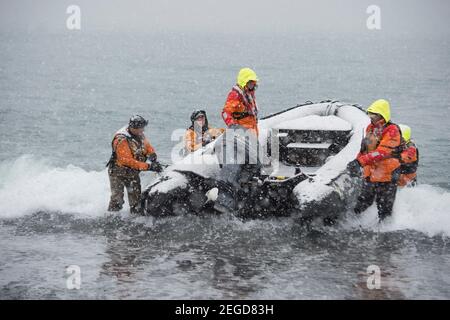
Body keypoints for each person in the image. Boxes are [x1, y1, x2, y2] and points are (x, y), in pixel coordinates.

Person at [348, 99, 402, 221]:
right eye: (370, 114)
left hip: (387, 175)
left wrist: (360, 162)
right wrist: (355, 163)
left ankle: (386, 232)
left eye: (375, 115)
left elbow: (383, 152)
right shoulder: (370, 128)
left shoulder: (392, 130)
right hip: (371, 174)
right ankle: (353, 223)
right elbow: (364, 150)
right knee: (362, 202)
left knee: (384, 209)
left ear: (383, 115)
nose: (371, 117)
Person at [106, 115, 163, 214]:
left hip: (133, 173)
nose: (143, 130)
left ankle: (136, 217)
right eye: (141, 128)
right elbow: (127, 161)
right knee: (117, 199)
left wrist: (152, 154)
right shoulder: (121, 139)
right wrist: (149, 166)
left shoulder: (139, 134)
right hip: (118, 173)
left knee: (136, 199)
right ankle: (111, 218)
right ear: (133, 128)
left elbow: (146, 145)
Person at [222, 67, 259, 136]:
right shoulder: (235, 95)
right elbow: (225, 112)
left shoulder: (249, 95)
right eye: (250, 83)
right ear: (244, 82)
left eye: (253, 83)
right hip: (242, 134)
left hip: (252, 132)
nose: (252, 86)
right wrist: (232, 125)